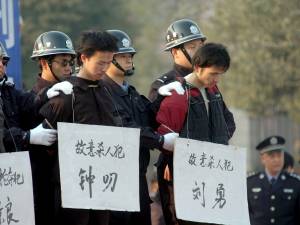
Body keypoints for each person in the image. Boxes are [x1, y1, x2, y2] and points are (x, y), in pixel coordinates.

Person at [39, 30, 120, 225]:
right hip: (73, 185)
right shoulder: (67, 93)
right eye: (101, 63)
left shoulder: (107, 91)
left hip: (103, 182)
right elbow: (44, 139)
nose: (105, 68)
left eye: (109, 62)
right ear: (83, 58)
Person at [102, 29, 178, 225]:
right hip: (113, 179)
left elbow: (150, 119)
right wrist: (159, 141)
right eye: (122, 55)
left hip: (137, 177)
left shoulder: (131, 93)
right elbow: (126, 128)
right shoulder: (102, 92)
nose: (128, 59)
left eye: (130, 55)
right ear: (108, 58)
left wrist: (162, 97)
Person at [155, 43, 235, 225]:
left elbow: (228, 123)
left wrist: (217, 145)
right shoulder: (178, 95)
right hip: (186, 182)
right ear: (198, 67)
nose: (217, 79)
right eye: (213, 74)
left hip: (214, 177)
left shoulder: (214, 92)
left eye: (220, 75)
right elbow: (165, 138)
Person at [30, 31, 77, 225]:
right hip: (44, 186)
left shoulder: (77, 93)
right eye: (63, 62)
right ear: (44, 63)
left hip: (74, 183)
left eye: (71, 63)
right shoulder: (30, 99)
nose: (68, 68)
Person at [247, 136, 300, 225]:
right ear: (263, 159)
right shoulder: (250, 183)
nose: (277, 160)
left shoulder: (295, 183)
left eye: (279, 155)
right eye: (272, 156)